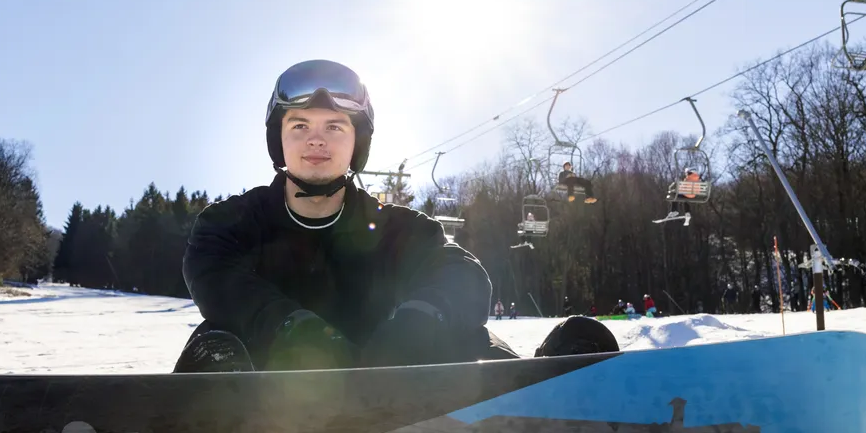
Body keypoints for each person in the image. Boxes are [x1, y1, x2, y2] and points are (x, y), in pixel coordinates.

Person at [174, 59, 617, 373]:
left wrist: (419, 321)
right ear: (280, 140)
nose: (316, 141)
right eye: (300, 126)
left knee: (467, 337)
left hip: (397, 387)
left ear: (356, 143)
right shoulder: (230, 224)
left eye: (334, 127)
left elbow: (462, 274)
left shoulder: (397, 228)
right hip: (275, 399)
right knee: (217, 342)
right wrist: (290, 328)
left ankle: (545, 404)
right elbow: (216, 278)